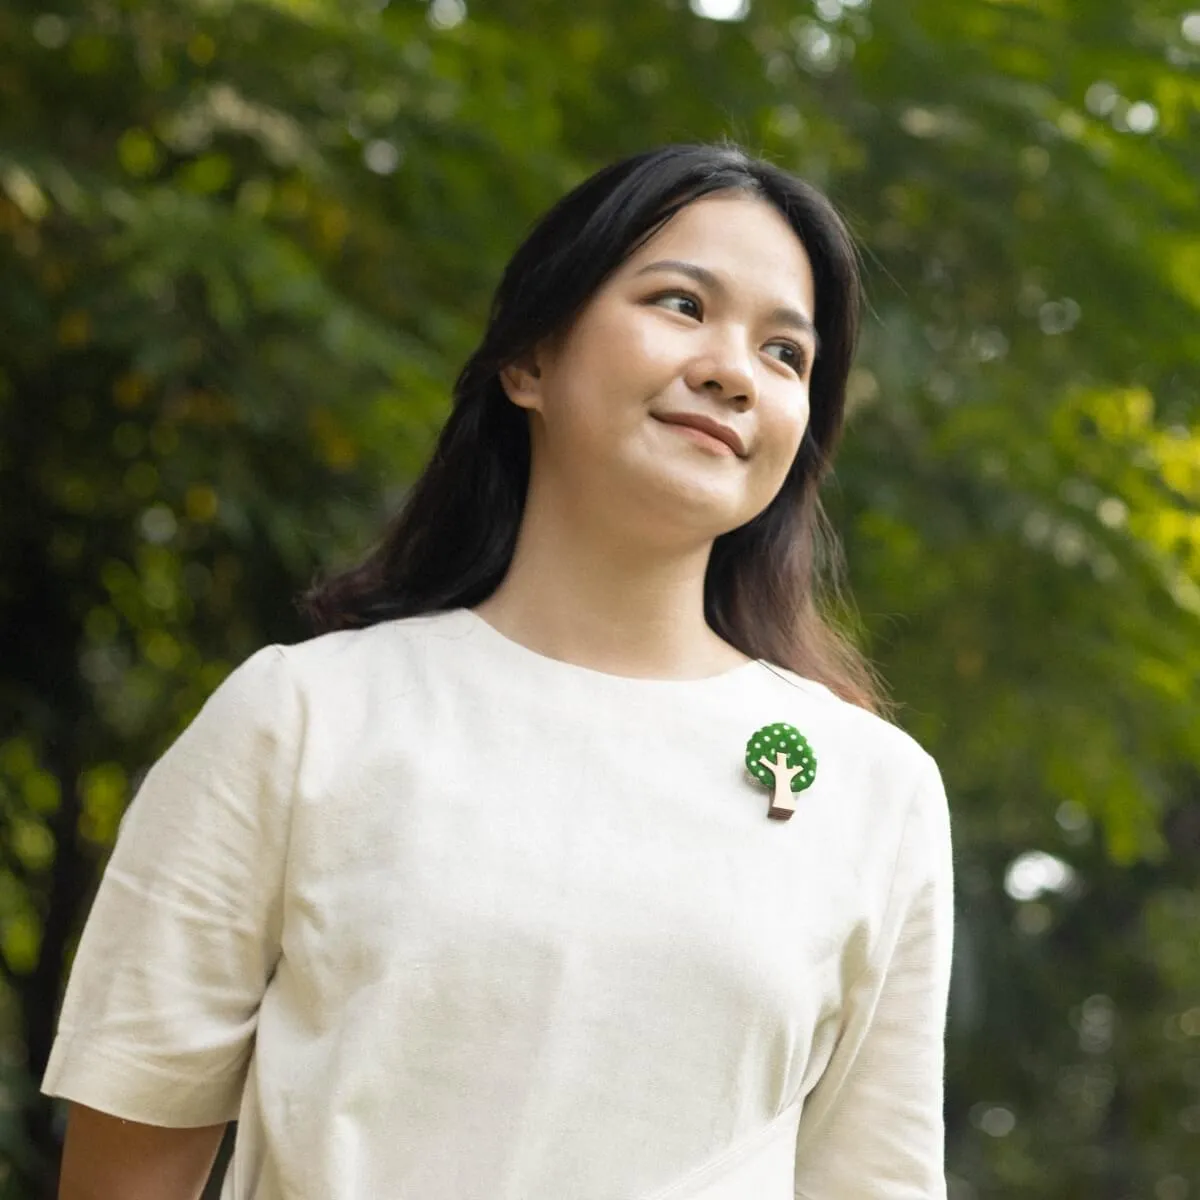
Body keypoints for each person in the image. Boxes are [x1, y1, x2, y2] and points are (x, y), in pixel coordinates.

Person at [44, 141, 955, 1199]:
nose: (731, 370)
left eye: (787, 354)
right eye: (678, 303)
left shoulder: (873, 789)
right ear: (529, 361)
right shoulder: (303, 717)